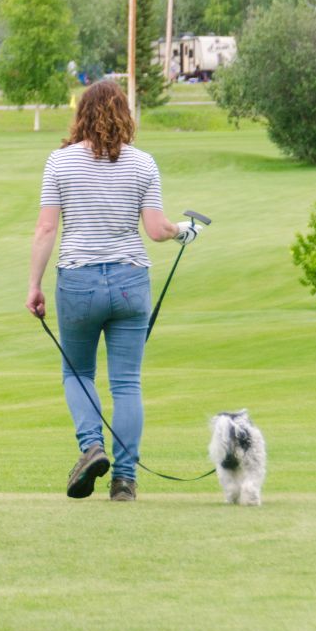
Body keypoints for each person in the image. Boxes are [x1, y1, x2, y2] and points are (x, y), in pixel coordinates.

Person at [25, 80, 201, 502]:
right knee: (126, 383)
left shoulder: (59, 162)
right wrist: (184, 231)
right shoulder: (143, 164)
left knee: (78, 373)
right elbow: (157, 230)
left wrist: (33, 284)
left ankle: (91, 447)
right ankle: (125, 479)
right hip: (129, 280)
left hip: (79, 280)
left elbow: (47, 228)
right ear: (125, 114)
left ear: (81, 114)